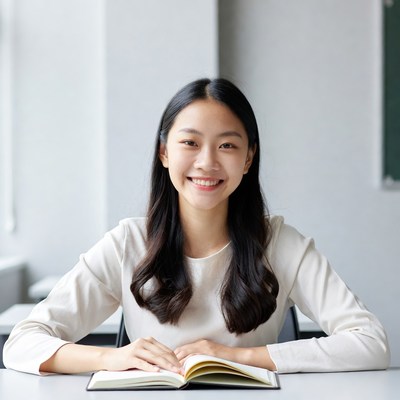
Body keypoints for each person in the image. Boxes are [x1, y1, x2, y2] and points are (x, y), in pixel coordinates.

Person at [3, 78, 390, 375]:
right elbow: (22, 343)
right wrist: (113, 357)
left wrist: (236, 358)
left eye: (227, 145)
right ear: (164, 152)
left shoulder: (281, 244)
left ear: (248, 159)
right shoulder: (128, 243)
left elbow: (370, 343)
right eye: (190, 142)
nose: (206, 162)